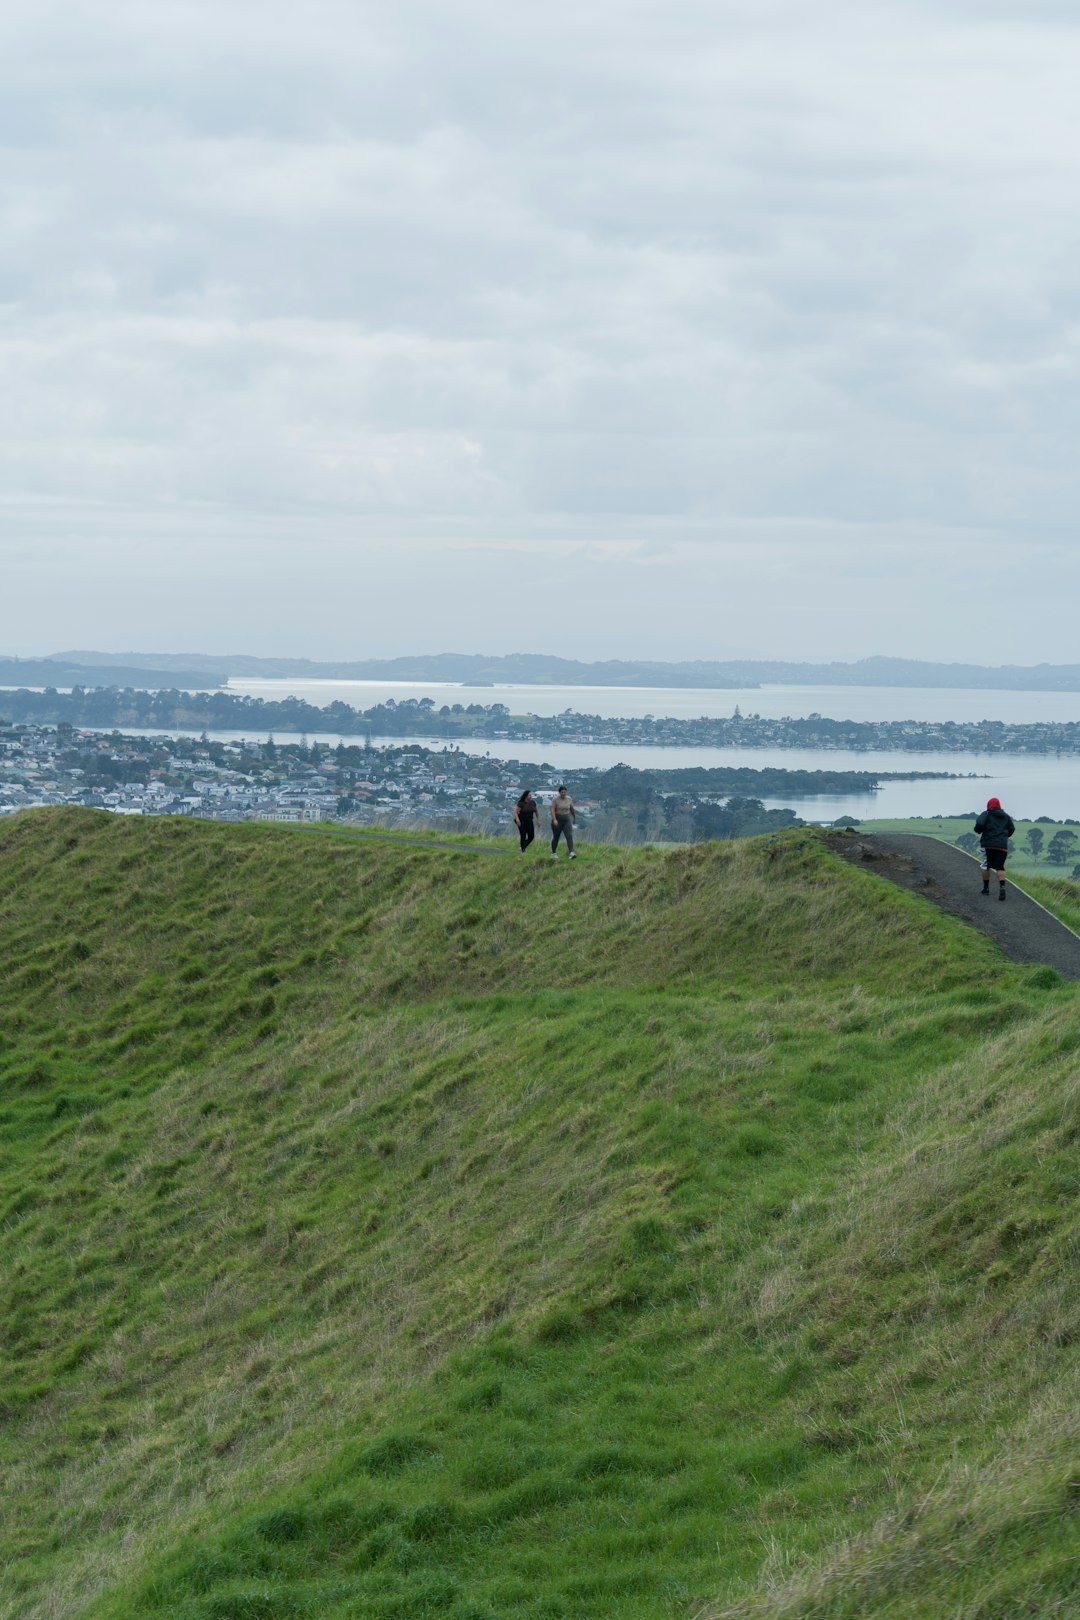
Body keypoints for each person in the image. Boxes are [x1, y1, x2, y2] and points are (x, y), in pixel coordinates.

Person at [974, 796, 1015, 901]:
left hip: (987, 844)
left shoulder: (986, 814)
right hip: (1002, 846)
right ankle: (1002, 887)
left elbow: (978, 825)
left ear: (989, 805)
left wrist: (980, 831)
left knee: (985, 865)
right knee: (1000, 867)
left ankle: (986, 889)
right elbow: (1012, 829)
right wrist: (1004, 837)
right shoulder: (1006, 816)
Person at [550, 784, 577, 859]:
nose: (563, 794)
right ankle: (553, 852)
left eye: (565, 792)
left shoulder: (569, 799)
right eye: (562, 792)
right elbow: (552, 810)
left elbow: (572, 808)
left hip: (566, 820)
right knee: (556, 837)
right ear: (559, 792)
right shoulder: (555, 800)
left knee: (569, 835)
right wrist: (554, 819)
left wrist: (574, 817)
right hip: (557, 820)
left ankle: (571, 852)